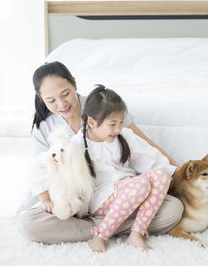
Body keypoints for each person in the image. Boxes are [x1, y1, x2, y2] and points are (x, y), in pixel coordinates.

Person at [18, 61, 183, 244]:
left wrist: (182, 174)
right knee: (29, 224)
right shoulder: (45, 129)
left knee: (174, 208)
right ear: (41, 98)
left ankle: (106, 227)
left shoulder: (104, 105)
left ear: (74, 83)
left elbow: (145, 147)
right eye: (51, 100)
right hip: (77, 203)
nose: (62, 103)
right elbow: (40, 171)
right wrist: (49, 199)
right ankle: (117, 227)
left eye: (65, 94)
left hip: (124, 193)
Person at [72, 85, 174, 252]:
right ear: (91, 122)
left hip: (131, 188)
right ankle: (100, 235)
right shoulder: (77, 145)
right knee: (140, 185)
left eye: (121, 122)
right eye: (112, 124)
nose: (118, 129)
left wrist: (175, 175)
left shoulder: (125, 136)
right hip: (101, 198)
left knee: (163, 174)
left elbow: (152, 160)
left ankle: (136, 233)